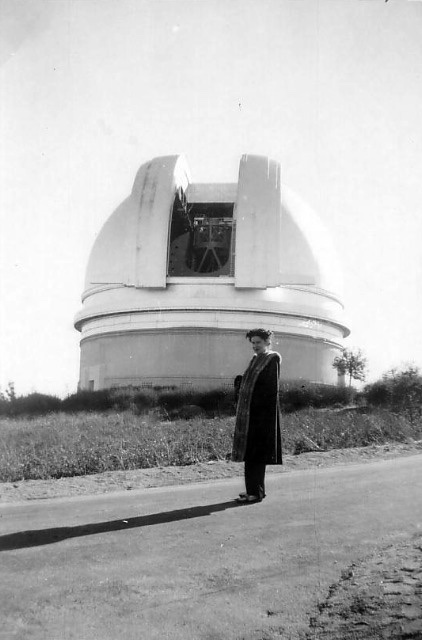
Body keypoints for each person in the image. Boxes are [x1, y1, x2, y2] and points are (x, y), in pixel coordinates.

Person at [232, 328, 282, 504]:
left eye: (258, 342)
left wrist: (258, 413)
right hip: (251, 416)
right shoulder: (256, 360)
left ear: (268, 342)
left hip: (262, 416)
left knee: (257, 455)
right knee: (250, 455)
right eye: (252, 343)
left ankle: (256, 493)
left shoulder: (271, 359)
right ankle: (252, 490)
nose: (255, 346)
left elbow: (269, 390)